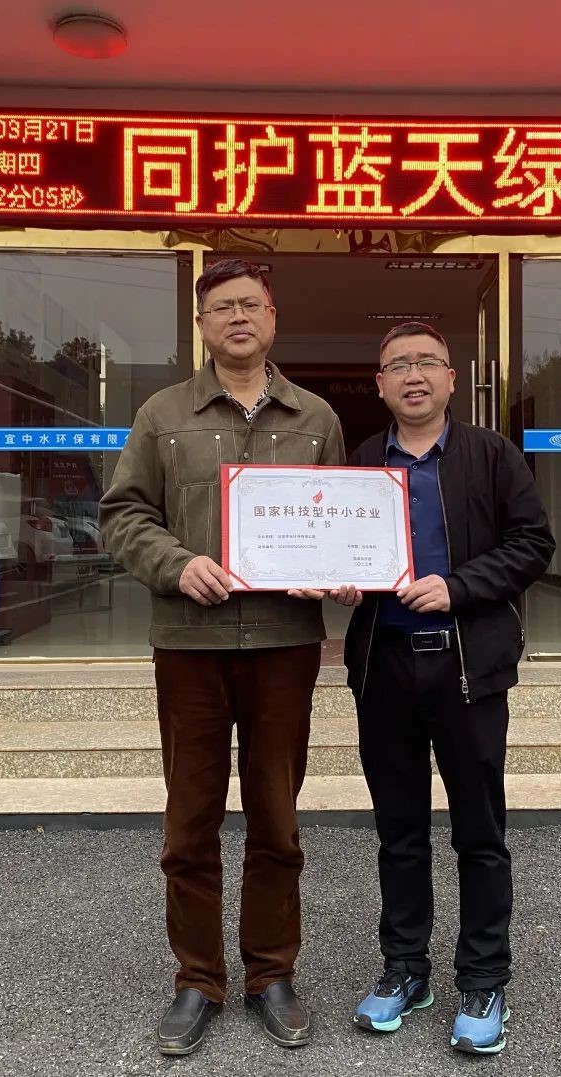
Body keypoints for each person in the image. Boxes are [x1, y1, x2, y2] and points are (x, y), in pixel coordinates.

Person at [98, 258, 344, 1057]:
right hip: (190, 646)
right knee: (189, 822)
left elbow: (341, 518)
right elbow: (123, 513)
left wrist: (341, 568)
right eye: (222, 307)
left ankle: (272, 973)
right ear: (201, 325)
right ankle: (197, 979)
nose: (238, 317)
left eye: (251, 304)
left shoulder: (316, 418)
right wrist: (175, 564)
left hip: (284, 647)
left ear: (272, 318)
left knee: (277, 819)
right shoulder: (163, 413)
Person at [342, 320, 554, 1056]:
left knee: (478, 832)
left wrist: (458, 587)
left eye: (427, 362)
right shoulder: (361, 462)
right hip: (384, 666)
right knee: (398, 831)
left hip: (468, 670)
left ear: (451, 378)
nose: (414, 375)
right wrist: (341, 579)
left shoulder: (492, 455)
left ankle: (484, 978)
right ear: (379, 384)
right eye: (398, 364)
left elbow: (533, 544)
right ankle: (405, 969)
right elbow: (339, 544)